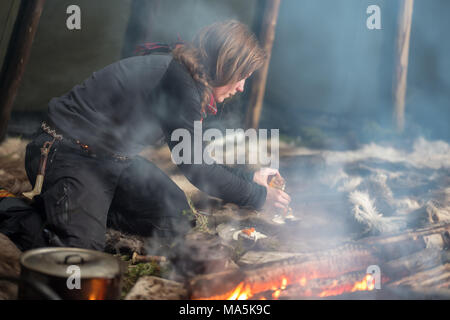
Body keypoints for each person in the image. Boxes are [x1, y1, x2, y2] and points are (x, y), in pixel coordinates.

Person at [19, 20, 291, 251]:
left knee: (175, 217)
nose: (242, 87)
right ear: (226, 64)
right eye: (243, 76)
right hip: (65, 153)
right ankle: (14, 212)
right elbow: (197, 169)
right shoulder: (180, 82)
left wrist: (248, 178)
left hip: (114, 159)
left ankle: (80, 209)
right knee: (81, 251)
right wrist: (257, 196)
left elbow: (195, 155)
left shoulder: (188, 78)